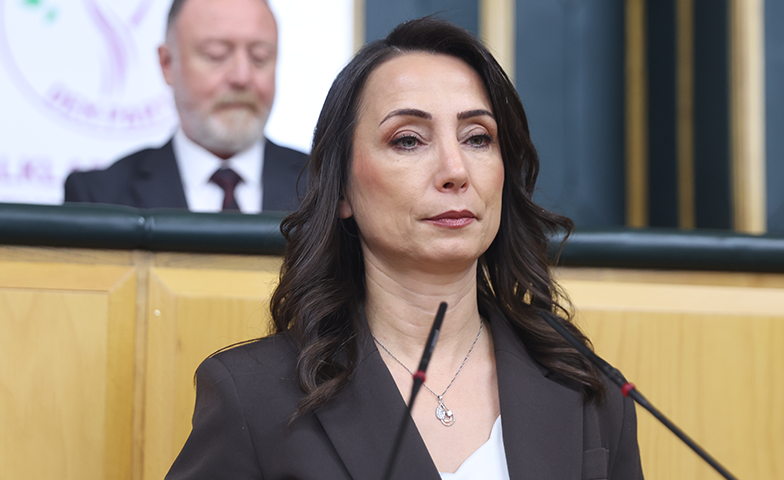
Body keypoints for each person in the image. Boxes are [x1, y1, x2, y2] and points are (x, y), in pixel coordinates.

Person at [166, 17, 643, 479]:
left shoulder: (590, 388)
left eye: (478, 138)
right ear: (342, 189)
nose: (455, 170)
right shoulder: (252, 396)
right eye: (409, 140)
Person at [64, 0, 307, 213]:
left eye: (260, 57)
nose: (242, 77)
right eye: (216, 54)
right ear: (168, 63)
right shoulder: (99, 198)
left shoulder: (322, 187)